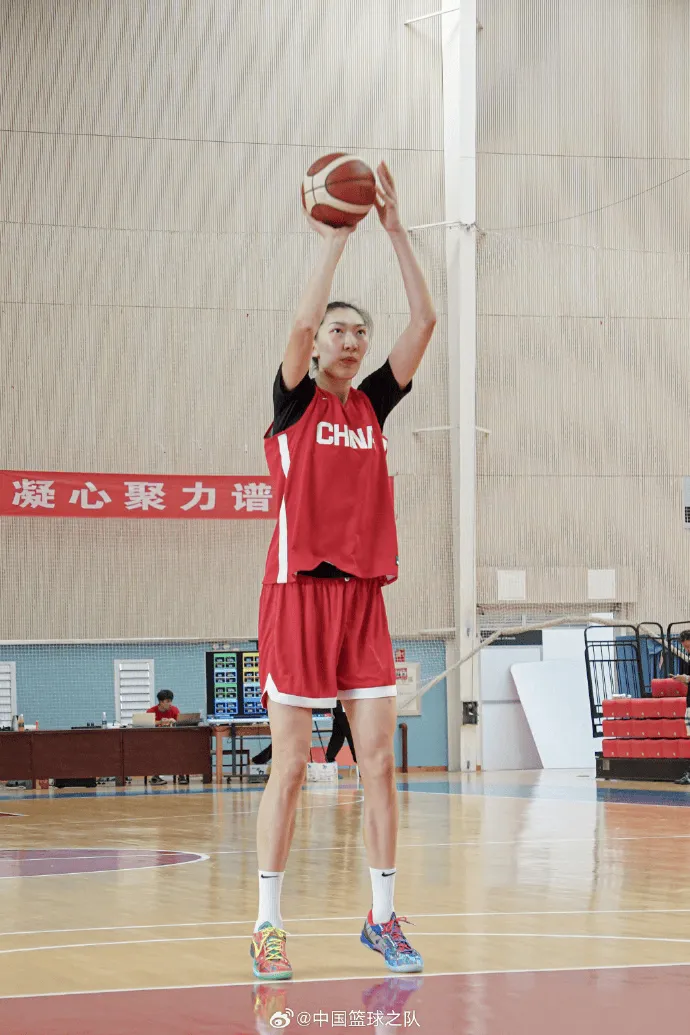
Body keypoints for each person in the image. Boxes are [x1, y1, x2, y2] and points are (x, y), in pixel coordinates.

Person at [250, 162, 436, 980]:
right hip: (297, 595)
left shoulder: (373, 404)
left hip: (362, 599)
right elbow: (298, 324)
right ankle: (267, 925)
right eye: (339, 330)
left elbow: (425, 319)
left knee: (380, 763)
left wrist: (394, 231)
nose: (351, 340)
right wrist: (333, 237)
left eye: (359, 331)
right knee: (291, 767)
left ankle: (382, 916)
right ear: (318, 344)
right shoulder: (295, 401)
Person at [146, 689, 189, 786]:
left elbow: (181, 724)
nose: (170, 704)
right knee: (157, 750)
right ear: (161, 702)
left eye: (171, 701)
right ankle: (155, 776)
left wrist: (175, 722)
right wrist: (160, 722)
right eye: (168, 701)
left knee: (181, 747)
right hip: (156, 741)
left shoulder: (174, 710)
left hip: (172, 740)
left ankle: (181, 775)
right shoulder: (151, 711)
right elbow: (147, 723)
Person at [325, 700, 357, 765]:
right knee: (351, 735)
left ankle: (330, 758)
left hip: (340, 707)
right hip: (342, 707)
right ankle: (358, 760)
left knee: (338, 735)